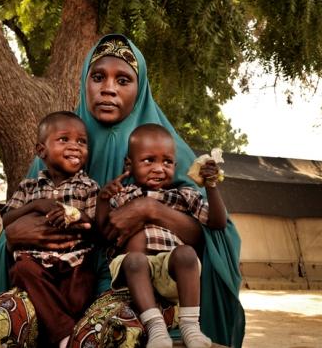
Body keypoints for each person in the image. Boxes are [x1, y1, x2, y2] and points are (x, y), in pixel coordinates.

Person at [0, 34, 244, 348]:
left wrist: (149, 210)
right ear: (85, 81)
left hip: (131, 288)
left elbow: (216, 236)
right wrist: (13, 237)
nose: (108, 88)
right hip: (52, 286)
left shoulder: (164, 148)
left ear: (140, 89)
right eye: (98, 77)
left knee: (105, 333)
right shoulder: (62, 141)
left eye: (123, 80)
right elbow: (12, 226)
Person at [97, 124, 226, 348]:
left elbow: (217, 222)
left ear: (175, 166)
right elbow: (103, 233)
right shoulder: (124, 195)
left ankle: (190, 327)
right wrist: (102, 201)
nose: (159, 168)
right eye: (149, 160)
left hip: (170, 271)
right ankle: (156, 328)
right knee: (135, 259)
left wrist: (211, 186)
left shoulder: (183, 195)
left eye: (166, 162)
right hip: (133, 274)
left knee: (186, 253)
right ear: (129, 164)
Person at [0, 111, 98, 348]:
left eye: (81, 142)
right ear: (41, 151)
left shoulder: (88, 187)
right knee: (22, 270)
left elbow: (94, 224)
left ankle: (57, 331)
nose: (75, 146)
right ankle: (68, 337)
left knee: (79, 293)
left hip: (74, 263)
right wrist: (35, 205)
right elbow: (7, 220)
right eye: (64, 139)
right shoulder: (29, 187)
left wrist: (75, 216)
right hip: (35, 262)